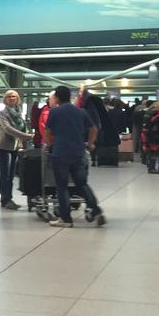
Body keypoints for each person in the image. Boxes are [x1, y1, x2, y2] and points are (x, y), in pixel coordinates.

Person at [43, 86, 105, 228]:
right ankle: (96, 210)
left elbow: (47, 131)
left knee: (62, 186)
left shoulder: (54, 112)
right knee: (82, 184)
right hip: (78, 152)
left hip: (60, 153)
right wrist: (90, 143)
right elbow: (94, 128)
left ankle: (66, 219)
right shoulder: (80, 111)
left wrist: (50, 145)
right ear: (70, 97)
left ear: (57, 98)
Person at [0, 89, 33, 210]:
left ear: (17, 99)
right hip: (3, 146)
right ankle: (5, 200)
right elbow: (7, 128)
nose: (11, 98)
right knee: (5, 174)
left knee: (11, 175)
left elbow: (22, 126)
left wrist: (23, 138)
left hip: (14, 146)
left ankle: (8, 198)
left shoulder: (18, 112)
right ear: (5, 99)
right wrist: (25, 136)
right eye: (9, 96)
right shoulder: (3, 112)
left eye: (14, 96)